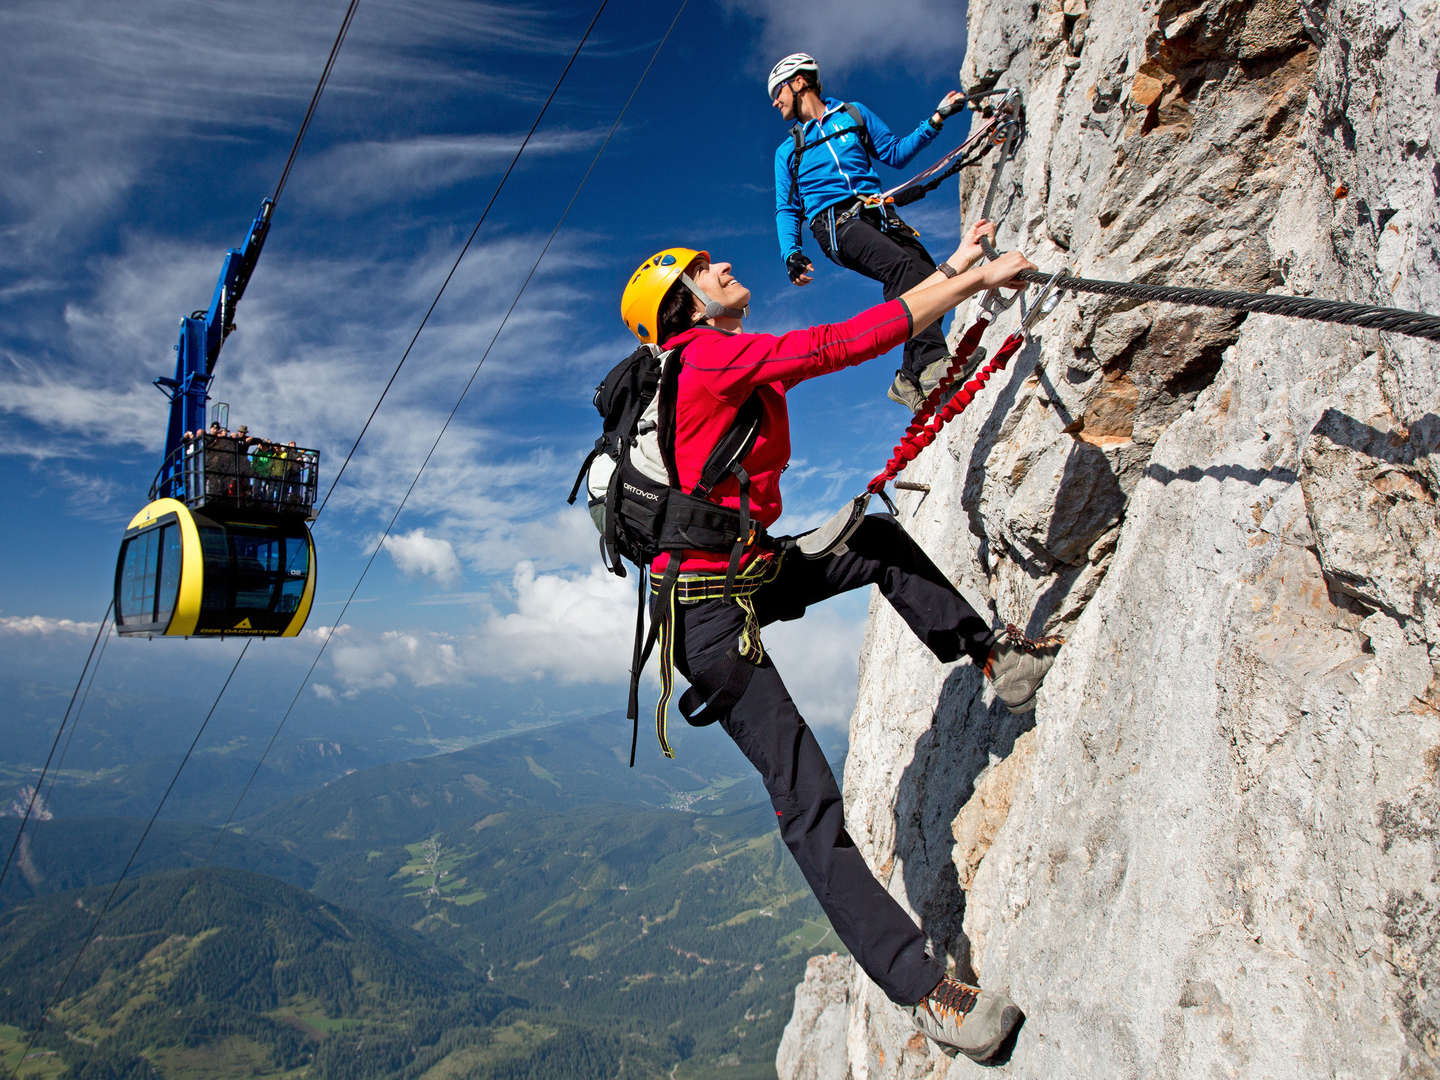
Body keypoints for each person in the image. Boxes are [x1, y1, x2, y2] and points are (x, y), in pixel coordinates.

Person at [617, 224, 1058, 1061]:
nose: (727, 267)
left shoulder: (704, 362)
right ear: (688, 302)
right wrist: (974, 284)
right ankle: (925, 991)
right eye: (710, 268)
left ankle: (998, 660)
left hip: (740, 574)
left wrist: (957, 264)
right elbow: (841, 344)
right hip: (710, 614)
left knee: (875, 542)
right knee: (808, 798)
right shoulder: (706, 358)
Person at [768, 51, 966, 412]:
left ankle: (908, 377)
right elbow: (787, 207)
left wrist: (936, 119)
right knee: (900, 268)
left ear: (799, 83)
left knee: (928, 277)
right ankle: (935, 363)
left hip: (877, 212)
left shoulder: (853, 114)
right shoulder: (787, 150)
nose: (774, 101)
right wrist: (791, 253)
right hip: (834, 223)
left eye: (777, 91)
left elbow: (894, 152)